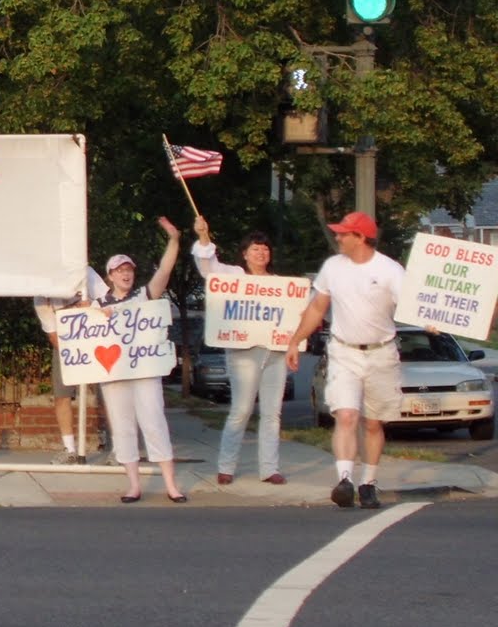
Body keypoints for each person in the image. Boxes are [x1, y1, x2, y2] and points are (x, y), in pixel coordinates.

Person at [284, 211, 404, 510]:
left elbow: (413, 307)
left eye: (343, 233)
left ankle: (368, 483)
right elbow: (317, 308)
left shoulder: (390, 270)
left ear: (361, 237)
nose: (337, 238)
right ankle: (345, 481)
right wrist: (296, 340)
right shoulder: (332, 268)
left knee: (373, 423)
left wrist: (430, 320)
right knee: (346, 415)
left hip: (381, 352)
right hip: (343, 351)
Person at [191, 215, 288, 485]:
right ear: (244, 254)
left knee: (272, 412)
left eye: (265, 248)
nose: (261, 253)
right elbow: (207, 268)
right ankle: (226, 466)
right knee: (242, 409)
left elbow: (295, 312)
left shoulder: (279, 283)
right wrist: (203, 236)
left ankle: (269, 468)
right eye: (255, 248)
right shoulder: (233, 276)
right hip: (243, 352)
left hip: (274, 353)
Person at [97, 218, 188, 504]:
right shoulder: (98, 305)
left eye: (129, 270)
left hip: (145, 370)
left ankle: (171, 485)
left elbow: (164, 270)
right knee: (122, 425)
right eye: (119, 270)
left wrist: (174, 240)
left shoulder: (143, 297)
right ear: (110, 275)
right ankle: (134, 485)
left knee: (154, 421)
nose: (125, 274)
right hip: (115, 374)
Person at [32, 267, 107, 462]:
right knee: (62, 395)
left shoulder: (85, 272)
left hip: (97, 340)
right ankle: (69, 449)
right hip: (65, 344)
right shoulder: (41, 294)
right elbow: (52, 333)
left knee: (108, 393)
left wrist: (90, 306)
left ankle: (119, 447)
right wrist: (74, 356)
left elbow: (108, 301)